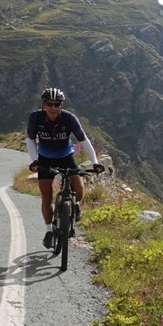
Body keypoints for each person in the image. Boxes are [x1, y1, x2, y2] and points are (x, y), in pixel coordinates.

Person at [26, 88, 105, 249]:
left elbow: (83, 140)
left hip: (66, 157)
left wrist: (95, 162)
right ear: (44, 104)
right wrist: (34, 161)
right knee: (47, 197)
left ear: (61, 105)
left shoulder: (69, 118)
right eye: (49, 104)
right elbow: (30, 140)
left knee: (80, 190)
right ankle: (49, 230)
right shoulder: (36, 117)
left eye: (57, 104)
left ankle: (74, 205)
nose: (53, 108)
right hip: (45, 159)